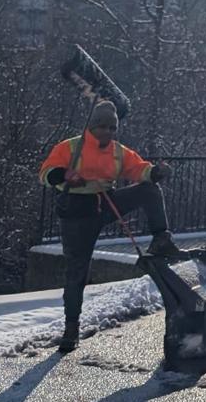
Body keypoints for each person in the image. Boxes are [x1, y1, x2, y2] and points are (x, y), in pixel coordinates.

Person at [38, 99, 176, 353]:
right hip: (77, 212)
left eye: (112, 128)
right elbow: (46, 172)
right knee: (77, 271)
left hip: (105, 203)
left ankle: (161, 239)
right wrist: (64, 175)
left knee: (149, 190)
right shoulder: (70, 147)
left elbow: (138, 169)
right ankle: (71, 328)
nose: (108, 132)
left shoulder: (117, 151)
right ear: (92, 127)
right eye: (103, 127)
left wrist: (155, 172)